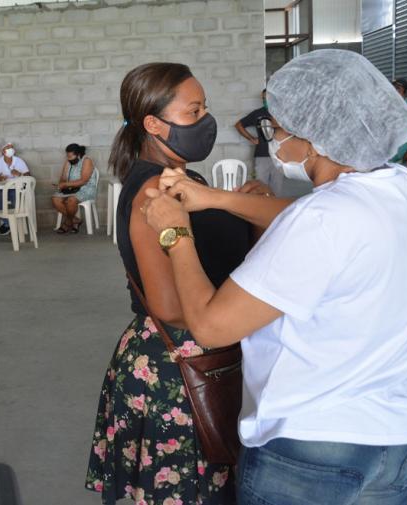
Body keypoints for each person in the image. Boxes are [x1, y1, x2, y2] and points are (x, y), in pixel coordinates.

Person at [142, 49, 407, 504]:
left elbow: (211, 326)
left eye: (276, 128)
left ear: (313, 140)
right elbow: (307, 214)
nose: (273, 139)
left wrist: (175, 233)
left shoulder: (319, 221)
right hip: (392, 439)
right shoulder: (404, 188)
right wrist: (216, 199)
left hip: (309, 447)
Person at [85, 63, 258, 505]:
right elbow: (168, 306)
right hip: (180, 369)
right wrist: (237, 314)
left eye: (205, 109)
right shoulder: (153, 191)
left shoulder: (186, 180)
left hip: (204, 357)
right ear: (153, 124)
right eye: (193, 111)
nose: (205, 121)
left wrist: (240, 209)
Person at [52, 143, 97, 234]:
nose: (69, 159)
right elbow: (63, 177)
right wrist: (60, 184)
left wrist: (65, 184)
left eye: (71, 156)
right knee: (55, 199)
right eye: (67, 156)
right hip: (71, 189)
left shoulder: (86, 161)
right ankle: (75, 220)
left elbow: (83, 181)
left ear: (78, 155)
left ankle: (68, 222)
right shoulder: (68, 162)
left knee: (71, 200)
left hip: (85, 188)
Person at [0, 140, 30, 236]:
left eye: (12, 147)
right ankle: (8, 223)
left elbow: (28, 176)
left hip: (15, 189)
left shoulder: (19, 161)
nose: (11, 149)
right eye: (8, 148)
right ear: (3, 151)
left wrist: (19, 174)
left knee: (17, 204)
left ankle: (10, 225)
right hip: (0, 189)